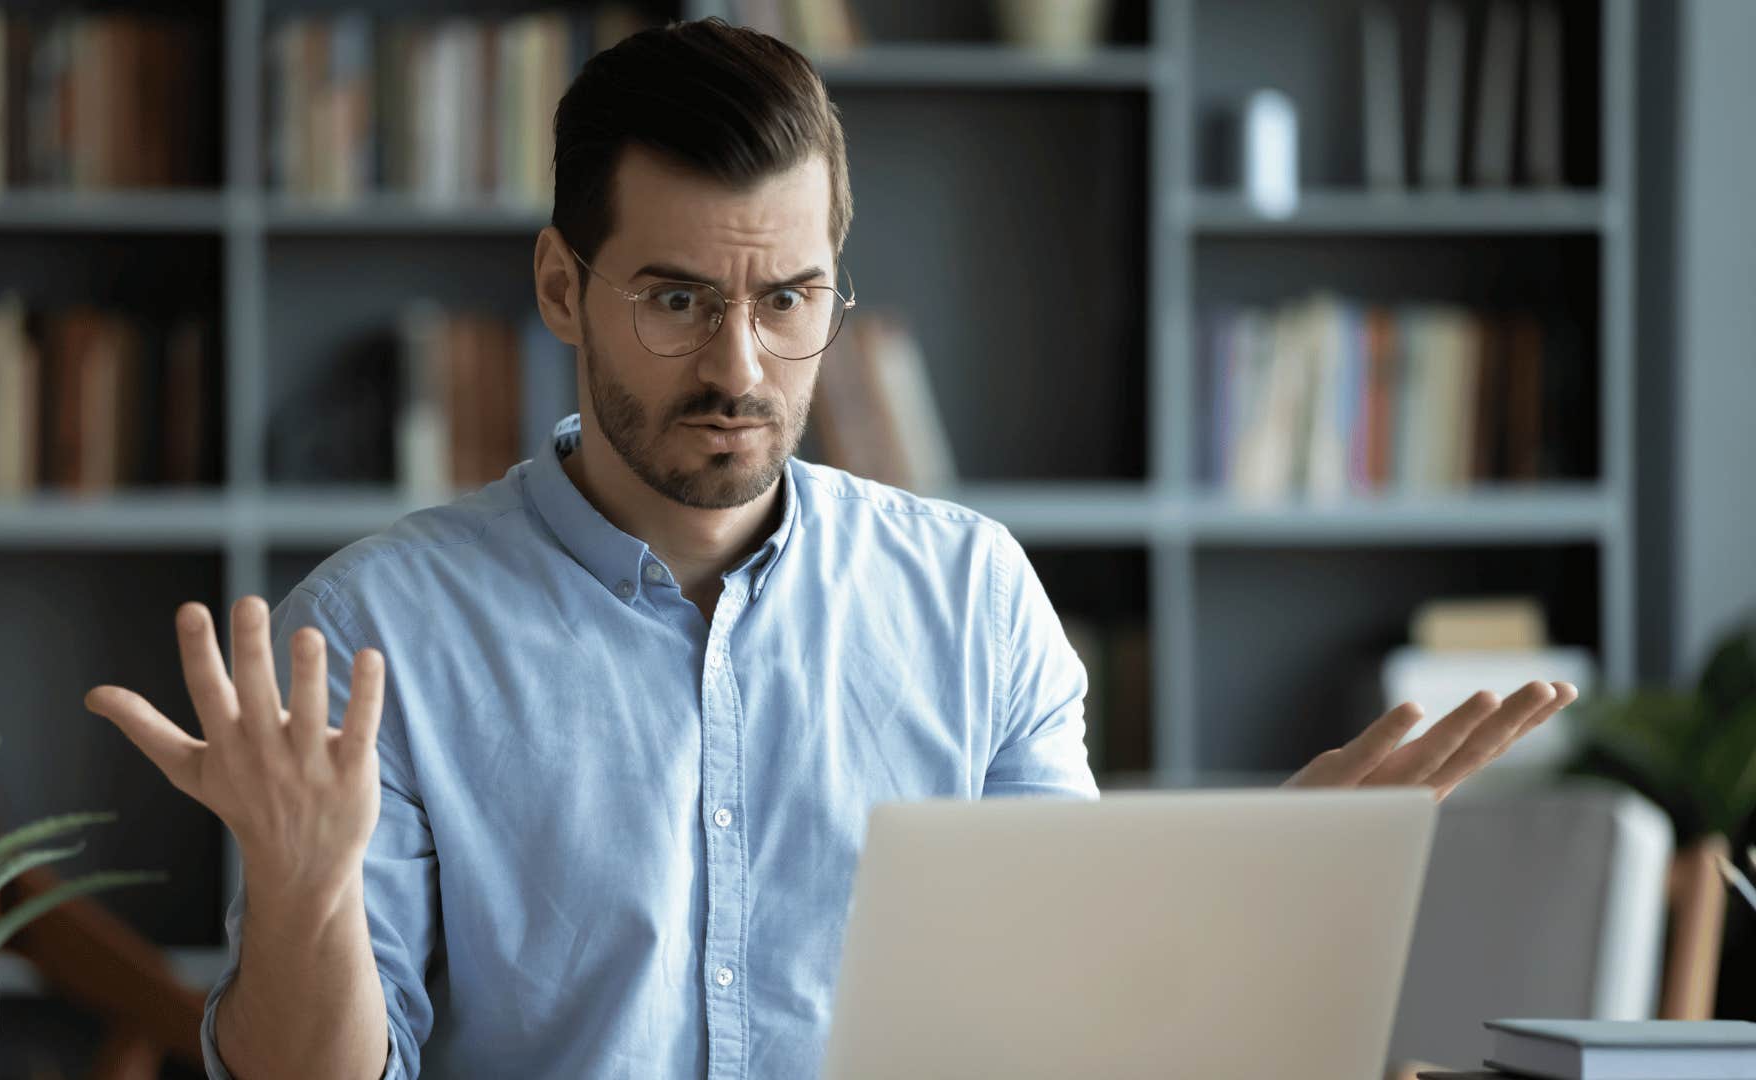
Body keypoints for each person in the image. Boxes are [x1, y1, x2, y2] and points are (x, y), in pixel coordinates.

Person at [83, 18, 1577, 1080]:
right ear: (561, 284)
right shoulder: (379, 632)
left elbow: (1057, 1036)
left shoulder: (974, 597)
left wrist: (1242, 891)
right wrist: (302, 895)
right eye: (674, 300)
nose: (740, 362)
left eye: (789, 299)